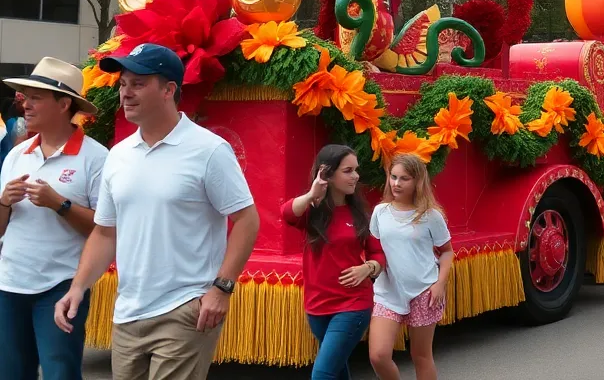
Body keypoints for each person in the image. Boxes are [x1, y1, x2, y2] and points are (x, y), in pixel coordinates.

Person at [54, 44, 259, 380]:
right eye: (123, 84)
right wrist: (78, 287)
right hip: (128, 313)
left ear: (168, 90)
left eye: (138, 83)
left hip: (186, 309)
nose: (126, 93)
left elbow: (247, 219)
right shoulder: (118, 156)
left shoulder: (208, 150)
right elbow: (105, 232)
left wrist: (221, 289)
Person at [0, 58, 108, 380]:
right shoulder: (17, 154)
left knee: (61, 373)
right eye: (25, 97)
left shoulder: (97, 158)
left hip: (61, 286)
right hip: (9, 284)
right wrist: (4, 202)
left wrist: (59, 204)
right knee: (10, 373)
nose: (26, 105)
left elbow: (105, 229)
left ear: (64, 105)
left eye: (36, 98)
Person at [283, 144, 386, 380]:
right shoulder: (312, 211)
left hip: (353, 304)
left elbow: (378, 254)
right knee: (337, 372)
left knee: (322, 374)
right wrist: (312, 194)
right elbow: (286, 214)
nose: (356, 176)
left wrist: (368, 268)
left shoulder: (360, 214)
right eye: (348, 171)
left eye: (356, 170)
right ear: (327, 174)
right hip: (317, 306)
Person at [367, 153, 454, 380]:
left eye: (404, 178)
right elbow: (374, 250)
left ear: (417, 181)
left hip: (424, 292)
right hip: (388, 293)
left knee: (421, 356)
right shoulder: (380, 212)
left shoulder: (431, 216)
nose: (396, 183)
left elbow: (447, 251)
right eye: (393, 177)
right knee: (378, 355)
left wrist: (440, 284)